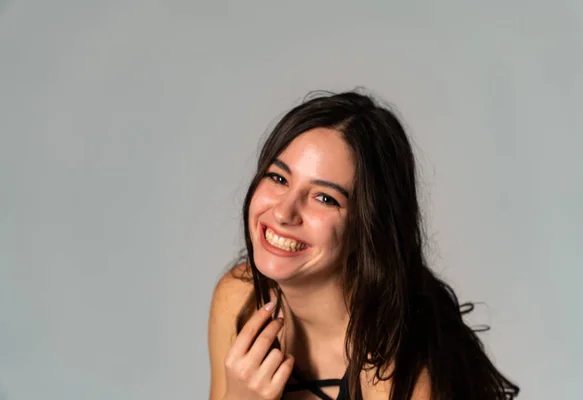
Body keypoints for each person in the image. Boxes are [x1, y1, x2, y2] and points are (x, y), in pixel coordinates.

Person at [208, 90, 520, 400]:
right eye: (278, 178)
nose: (283, 212)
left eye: (325, 198)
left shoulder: (399, 379)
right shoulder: (239, 298)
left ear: (367, 227)